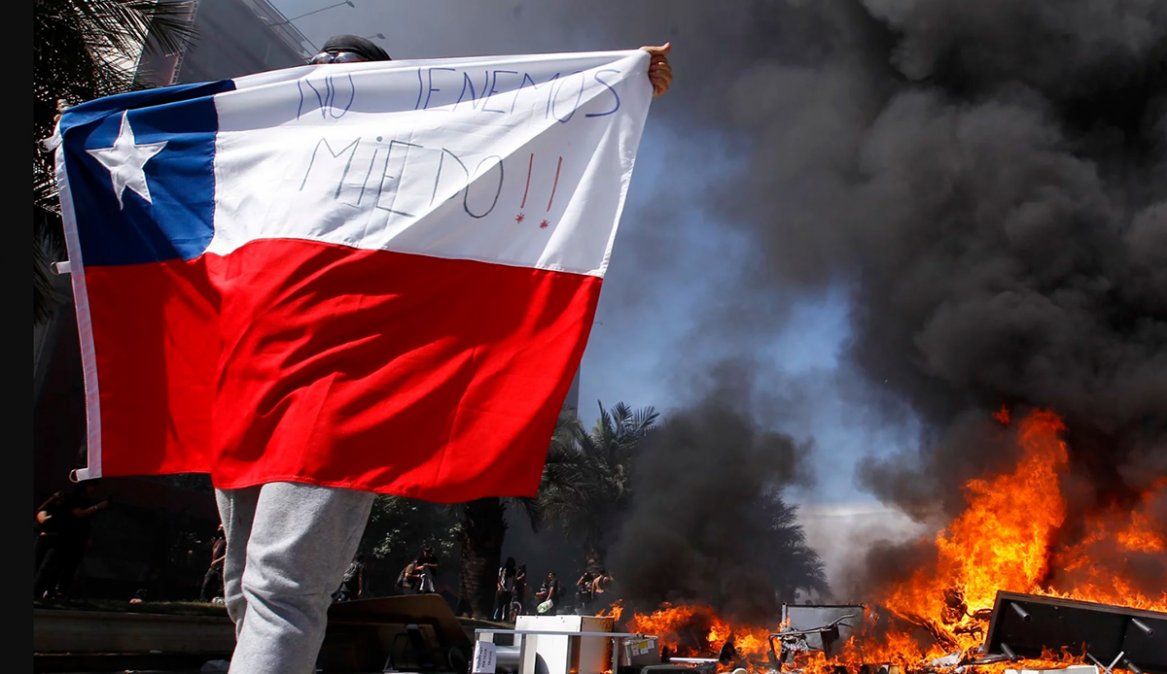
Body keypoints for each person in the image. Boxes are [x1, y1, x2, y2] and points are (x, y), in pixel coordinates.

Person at [213, 35, 672, 674]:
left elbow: (523, 124)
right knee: (241, 583)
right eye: (319, 71)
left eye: (349, 76)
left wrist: (613, 79)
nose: (326, 81)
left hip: (334, 395)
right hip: (246, 387)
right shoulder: (268, 145)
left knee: (283, 588)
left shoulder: (418, 163)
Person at [34, 482, 110, 600]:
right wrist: (98, 507)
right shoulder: (67, 497)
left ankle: (52, 591)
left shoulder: (83, 501)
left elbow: (85, 522)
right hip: (53, 535)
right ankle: (40, 591)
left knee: (59, 566)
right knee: (45, 565)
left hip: (69, 537)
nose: (93, 489)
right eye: (91, 486)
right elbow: (44, 510)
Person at [200, 524, 227, 602]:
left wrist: (217, 561)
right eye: (219, 527)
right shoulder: (218, 540)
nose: (219, 529)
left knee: (220, 586)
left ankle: (219, 600)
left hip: (220, 567)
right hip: (213, 566)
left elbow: (228, 554)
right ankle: (203, 601)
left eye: (221, 528)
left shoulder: (227, 541)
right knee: (206, 583)